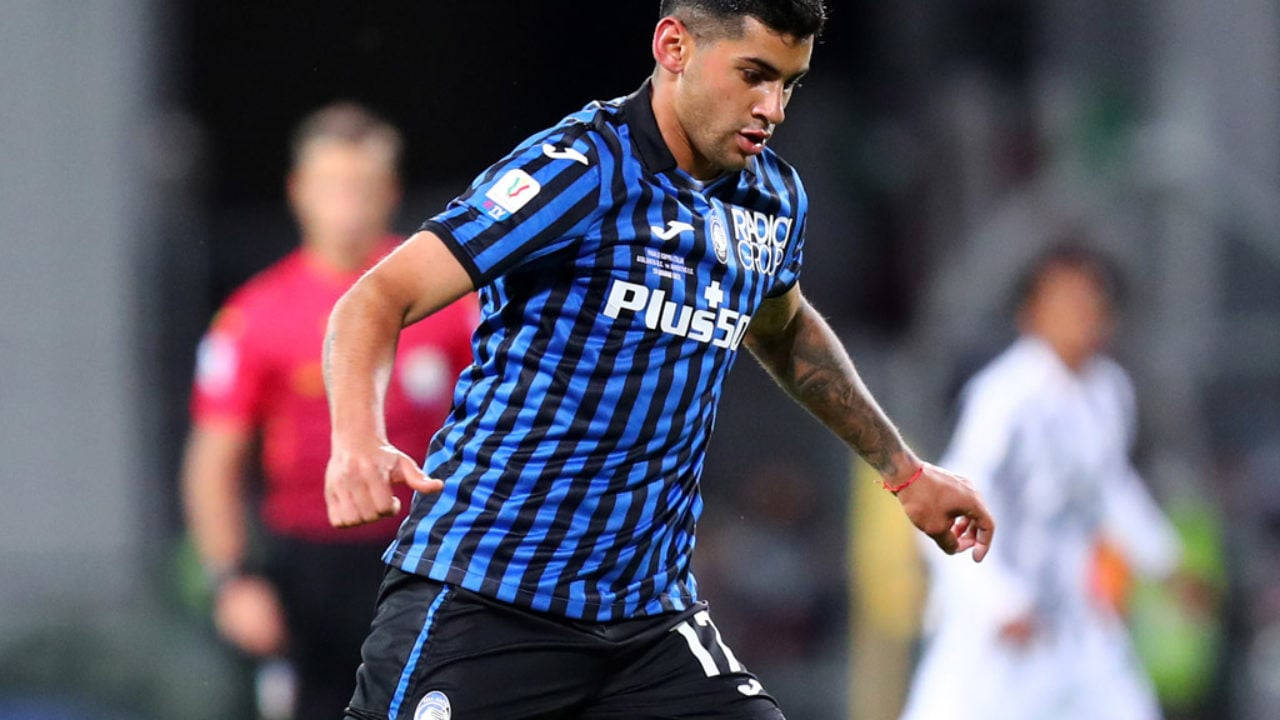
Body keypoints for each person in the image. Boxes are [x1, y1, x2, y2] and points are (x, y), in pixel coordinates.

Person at [323, 3, 994, 718]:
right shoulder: (580, 169)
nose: (772, 108)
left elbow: (785, 330)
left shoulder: (771, 200)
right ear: (674, 45)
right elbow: (376, 297)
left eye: (789, 84)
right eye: (754, 75)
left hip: (647, 624)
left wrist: (905, 471)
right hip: (489, 596)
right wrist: (358, 439)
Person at [181, 103, 478, 720]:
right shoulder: (255, 317)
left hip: (424, 553)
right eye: (332, 186)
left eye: (362, 187)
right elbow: (214, 461)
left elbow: (499, 423)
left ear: (389, 193)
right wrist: (232, 579)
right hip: (307, 569)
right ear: (299, 192)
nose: (347, 205)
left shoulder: (448, 302)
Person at [899, 243, 1181, 720]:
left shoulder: (1109, 392)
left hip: (1073, 629)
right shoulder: (1005, 397)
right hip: (995, 640)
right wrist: (1000, 603)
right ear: (1032, 314)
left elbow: (1108, 487)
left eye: (1092, 301)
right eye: (1066, 301)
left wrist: (1164, 560)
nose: (1082, 314)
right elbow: (941, 509)